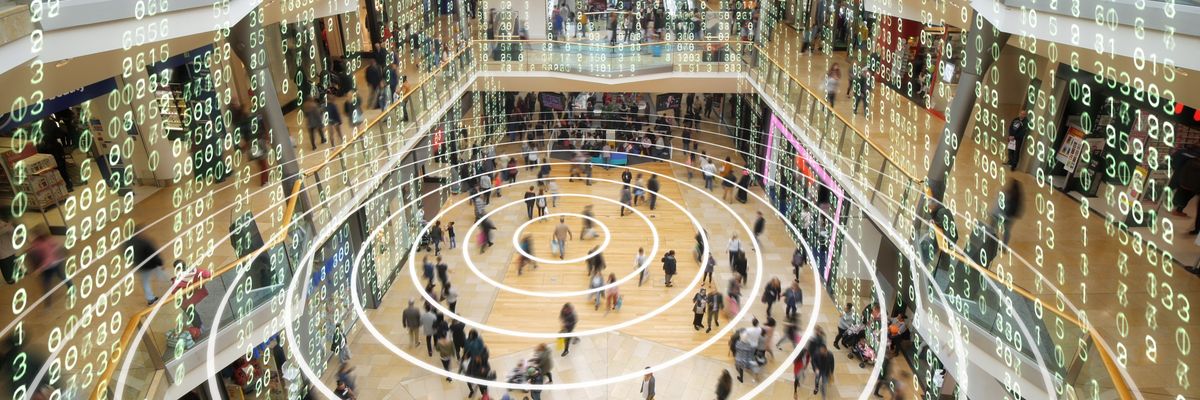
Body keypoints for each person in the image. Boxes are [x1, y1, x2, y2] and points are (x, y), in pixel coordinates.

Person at [127, 230, 165, 305]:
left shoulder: (130, 244)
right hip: (152, 265)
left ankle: (150, 299)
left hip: (142, 267)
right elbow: (154, 254)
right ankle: (169, 289)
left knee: (145, 283)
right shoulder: (146, 242)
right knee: (161, 275)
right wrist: (160, 263)